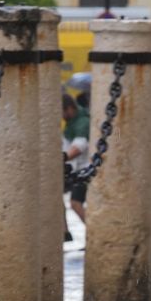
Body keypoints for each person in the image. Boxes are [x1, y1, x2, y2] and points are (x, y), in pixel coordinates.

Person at [62, 93, 90, 241]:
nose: (61, 116)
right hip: (73, 169)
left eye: (62, 112)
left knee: (75, 203)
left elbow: (79, 146)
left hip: (84, 170)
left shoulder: (82, 122)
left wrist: (62, 158)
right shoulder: (72, 122)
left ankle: (96, 234)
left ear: (69, 108)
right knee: (54, 197)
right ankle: (64, 233)